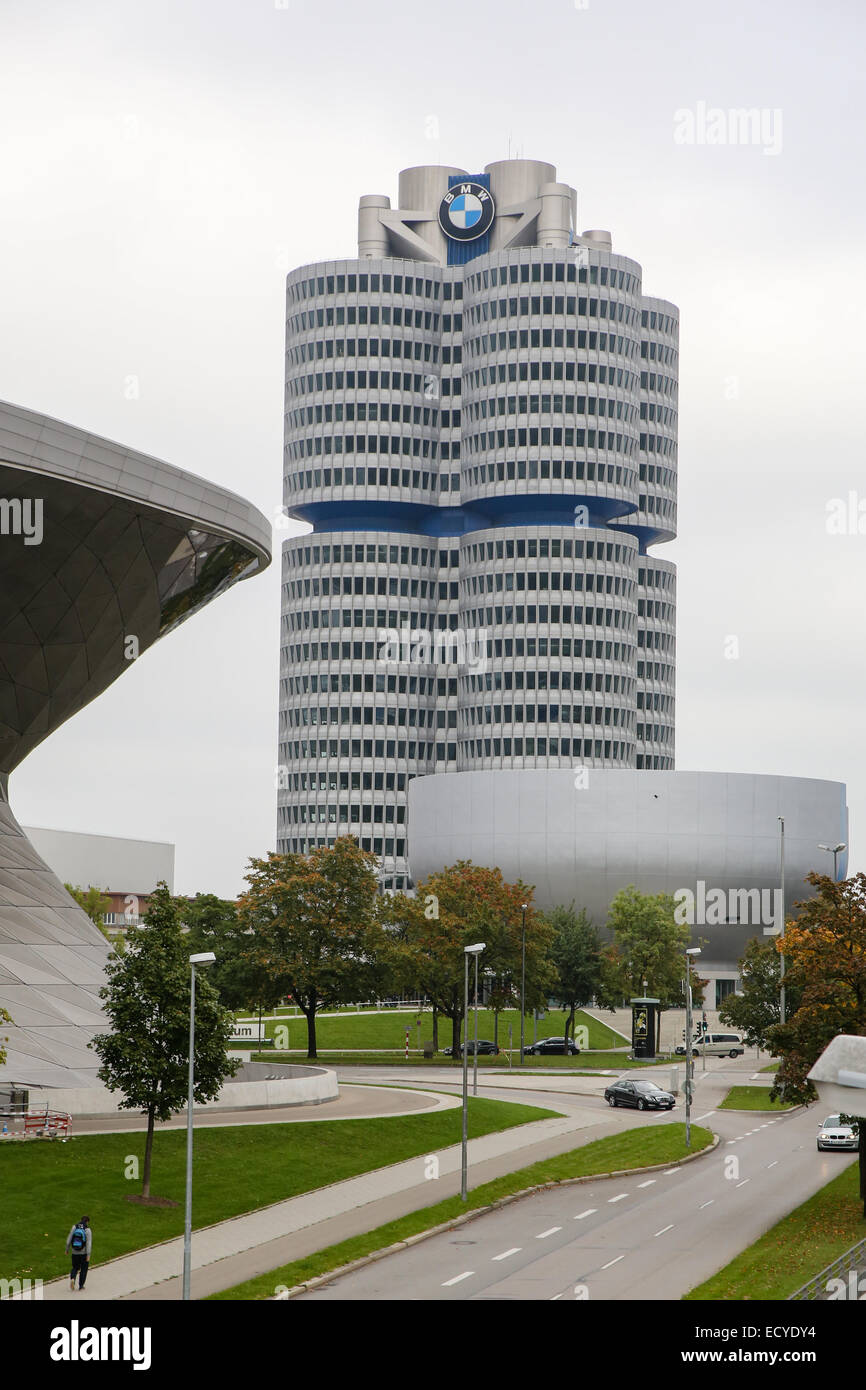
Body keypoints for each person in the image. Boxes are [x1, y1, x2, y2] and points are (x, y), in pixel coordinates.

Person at [66, 1216, 92, 1291]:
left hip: (74, 1252)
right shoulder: (87, 1230)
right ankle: (81, 1286)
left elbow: (69, 1240)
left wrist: (67, 1249)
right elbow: (89, 1244)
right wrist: (88, 1255)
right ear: (87, 1222)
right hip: (83, 1254)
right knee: (84, 1269)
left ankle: (73, 1278)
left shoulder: (74, 1227)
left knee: (75, 1267)